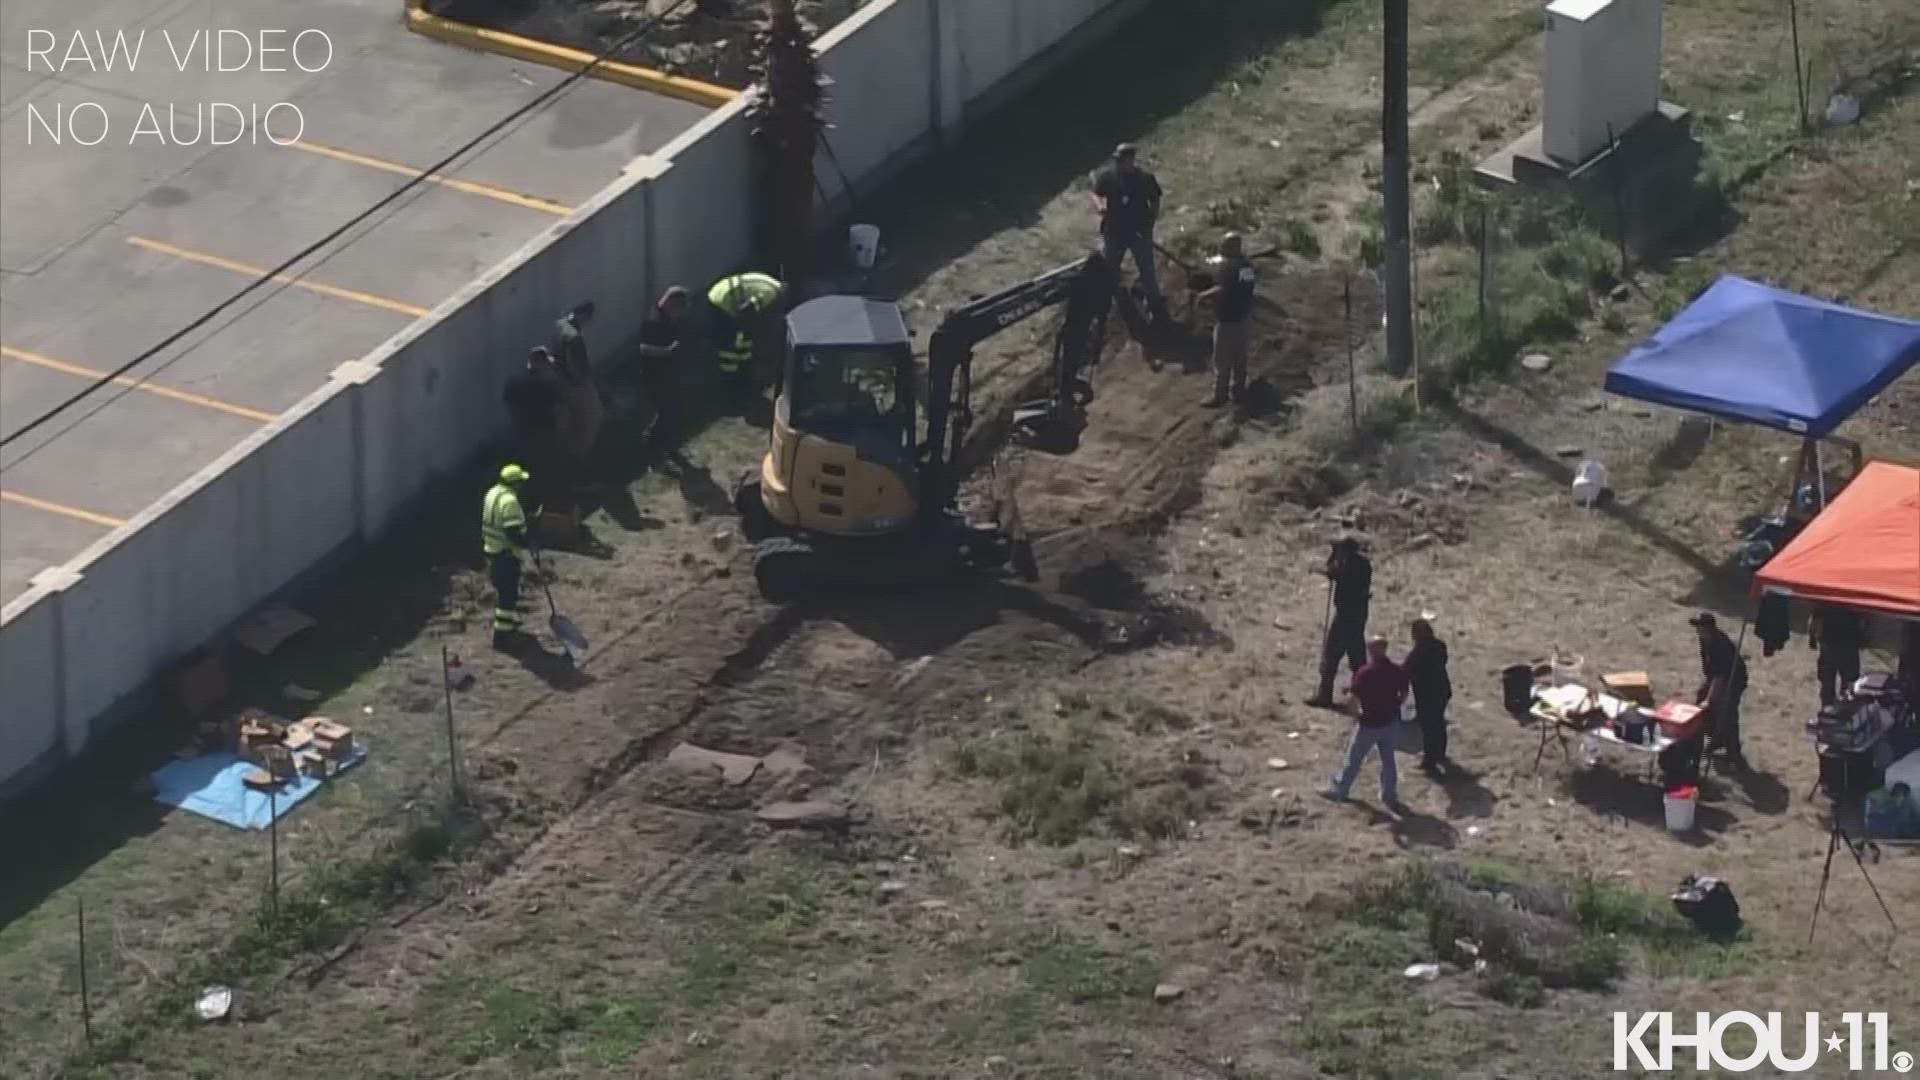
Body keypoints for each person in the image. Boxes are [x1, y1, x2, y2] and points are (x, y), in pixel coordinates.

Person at [1323, 636, 1408, 806]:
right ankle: (1389, 795)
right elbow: (1404, 693)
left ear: (1371, 651)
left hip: (1369, 723)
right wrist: (1396, 705)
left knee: (1354, 758)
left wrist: (1356, 715)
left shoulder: (1365, 673)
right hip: (1390, 722)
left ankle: (1340, 789)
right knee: (1388, 760)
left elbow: (1352, 700)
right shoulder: (1396, 671)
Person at [1090, 143, 1169, 326]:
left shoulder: (1144, 179)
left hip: (1138, 232)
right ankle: (1118, 301)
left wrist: (1150, 223)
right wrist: (1100, 206)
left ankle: (1155, 307)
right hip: (1114, 231)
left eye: (1122, 160)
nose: (1118, 164)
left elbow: (1156, 199)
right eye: (1117, 160)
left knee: (1147, 270)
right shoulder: (1109, 177)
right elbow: (1096, 194)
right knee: (1111, 268)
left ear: (1131, 160)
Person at [1307, 537, 1373, 708]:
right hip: (1357, 614)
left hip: (1347, 614)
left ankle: (1326, 695)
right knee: (1356, 655)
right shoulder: (1362, 564)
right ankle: (1364, 696)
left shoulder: (1353, 565)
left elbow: (1334, 573)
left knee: (1331, 654)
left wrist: (1333, 558)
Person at [707, 271, 787, 404]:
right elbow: (747, 310)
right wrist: (746, 331)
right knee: (730, 348)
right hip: (722, 301)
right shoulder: (770, 294)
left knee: (743, 343)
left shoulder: (773, 286)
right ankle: (730, 387)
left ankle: (739, 379)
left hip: (724, 293)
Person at [1198, 232, 1257, 408]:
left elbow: (1224, 289)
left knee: (1222, 360)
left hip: (1228, 320)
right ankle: (1238, 391)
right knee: (1240, 358)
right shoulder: (1247, 267)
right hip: (1244, 318)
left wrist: (1203, 295)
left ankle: (1220, 394)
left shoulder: (1231, 268)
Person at [502, 348, 562, 511]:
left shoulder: (514, 381)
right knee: (544, 468)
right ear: (539, 363)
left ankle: (526, 503)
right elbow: (556, 407)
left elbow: (508, 402)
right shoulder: (546, 385)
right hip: (543, 431)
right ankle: (544, 504)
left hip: (522, 430)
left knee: (525, 467)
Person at [482, 464, 534, 650]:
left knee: (503, 591)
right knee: (508, 596)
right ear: (515, 483)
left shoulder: (492, 493)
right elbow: (512, 532)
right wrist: (527, 542)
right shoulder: (509, 501)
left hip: (492, 551)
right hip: (505, 554)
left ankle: (508, 625)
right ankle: (502, 637)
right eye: (521, 482)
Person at [552, 304, 604, 484]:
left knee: (573, 419)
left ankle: (572, 454)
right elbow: (577, 368)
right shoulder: (574, 338)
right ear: (583, 315)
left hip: (561, 381)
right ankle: (581, 455)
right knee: (592, 417)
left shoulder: (559, 325)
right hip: (576, 384)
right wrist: (582, 381)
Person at [1691, 612, 1749, 766]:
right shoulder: (1704, 640)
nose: (1698, 631)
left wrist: (1709, 700)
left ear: (1709, 629)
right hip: (1716, 676)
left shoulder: (1719, 645)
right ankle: (1716, 738)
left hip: (1733, 679)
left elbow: (1720, 676)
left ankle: (1733, 753)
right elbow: (1711, 671)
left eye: (1701, 628)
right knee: (1701, 702)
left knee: (1727, 712)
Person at [637, 286, 690, 451]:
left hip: (665, 371)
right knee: (665, 408)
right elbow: (643, 348)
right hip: (654, 373)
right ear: (671, 304)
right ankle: (651, 442)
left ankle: (663, 443)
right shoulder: (653, 320)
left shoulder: (664, 317)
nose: (679, 314)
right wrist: (667, 351)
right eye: (679, 310)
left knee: (671, 407)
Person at [1405, 616, 1453, 774]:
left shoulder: (1417, 653)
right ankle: (1440, 754)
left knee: (1428, 727)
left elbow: (1406, 671)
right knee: (1439, 724)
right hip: (1442, 690)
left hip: (1427, 695)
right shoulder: (1439, 646)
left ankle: (1429, 761)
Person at [1809, 603, 1864, 706]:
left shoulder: (1826, 600)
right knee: (1848, 682)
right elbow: (1862, 620)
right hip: (1848, 644)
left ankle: (1827, 708)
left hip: (1829, 644)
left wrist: (1812, 637)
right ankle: (1844, 707)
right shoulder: (1853, 601)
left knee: (1827, 682)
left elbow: (1815, 618)